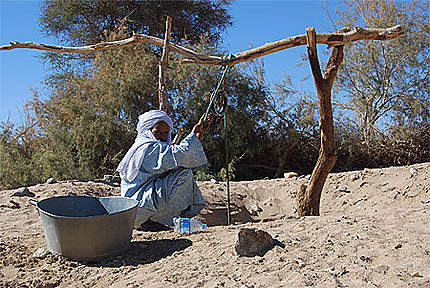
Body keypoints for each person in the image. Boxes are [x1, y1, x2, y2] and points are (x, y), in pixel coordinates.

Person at [116, 110, 213, 229]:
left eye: (166, 133)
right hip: (139, 208)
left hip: (136, 210)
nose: (162, 136)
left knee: (179, 170)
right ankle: (163, 220)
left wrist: (197, 135)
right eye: (158, 132)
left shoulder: (145, 147)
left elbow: (177, 159)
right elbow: (181, 155)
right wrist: (194, 133)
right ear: (148, 130)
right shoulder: (149, 148)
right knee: (183, 174)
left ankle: (158, 220)